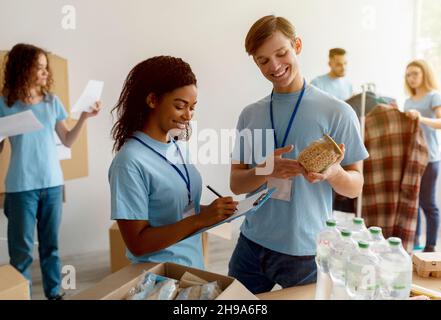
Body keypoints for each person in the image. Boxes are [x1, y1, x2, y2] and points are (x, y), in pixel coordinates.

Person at [228, 15, 369, 294]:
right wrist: (266, 170)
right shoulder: (250, 114)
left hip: (305, 251)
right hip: (251, 244)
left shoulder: (337, 112)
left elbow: (356, 187)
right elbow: (236, 183)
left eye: (281, 53)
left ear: (297, 46)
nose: (275, 66)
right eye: (263, 60)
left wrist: (335, 173)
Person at [109, 56, 238, 269]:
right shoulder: (129, 162)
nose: (188, 115)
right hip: (160, 274)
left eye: (193, 107)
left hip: (192, 266)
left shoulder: (176, 146)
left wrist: (215, 212)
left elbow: (176, 210)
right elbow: (137, 243)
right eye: (180, 106)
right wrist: (200, 220)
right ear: (152, 100)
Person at [0, 43, 101, 299]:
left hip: (53, 184)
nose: (46, 73)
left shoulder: (51, 101)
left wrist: (84, 118)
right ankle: (20, 295)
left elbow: (66, 140)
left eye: (46, 68)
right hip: (20, 187)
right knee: (21, 252)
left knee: (51, 247)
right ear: (23, 69)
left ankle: (54, 294)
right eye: (40, 67)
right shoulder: (4, 103)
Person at [404, 59, 441, 252]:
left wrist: (420, 118)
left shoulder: (434, 97)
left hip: (431, 158)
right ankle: (414, 242)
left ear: (424, 74)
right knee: (413, 202)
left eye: (415, 74)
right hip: (413, 159)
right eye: (408, 75)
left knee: (428, 204)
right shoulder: (408, 102)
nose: (412, 78)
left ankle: (430, 246)